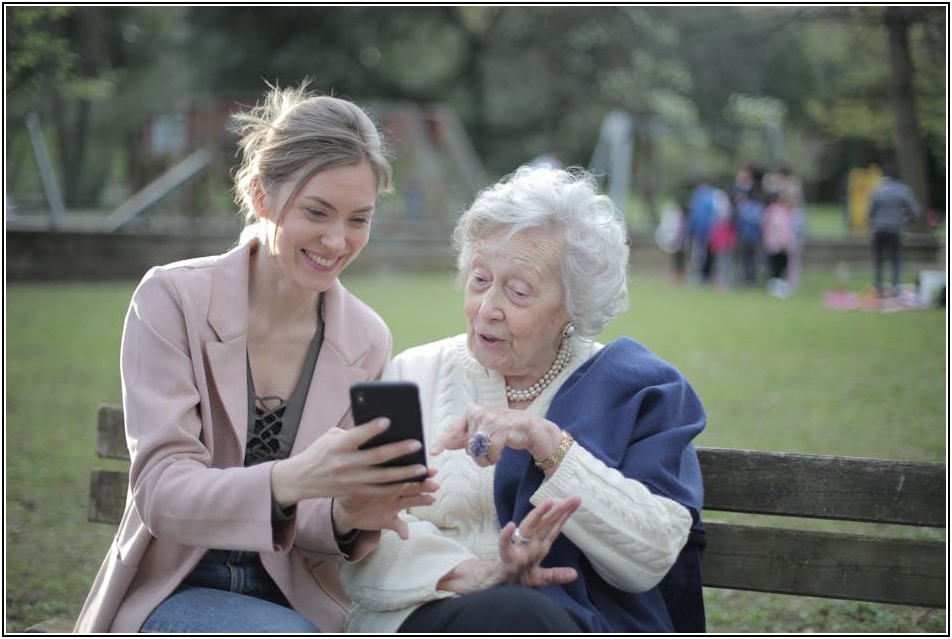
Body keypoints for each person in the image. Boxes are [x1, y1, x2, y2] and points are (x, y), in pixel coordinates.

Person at [73, 82, 439, 633]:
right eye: (317, 212)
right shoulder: (172, 299)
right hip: (175, 588)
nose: (337, 241)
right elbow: (162, 492)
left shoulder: (366, 336)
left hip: (301, 604)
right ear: (260, 196)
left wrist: (346, 514)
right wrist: (291, 478)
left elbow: (314, 517)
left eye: (358, 219)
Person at [340, 165, 708, 633]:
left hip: (572, 622)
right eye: (479, 280)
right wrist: (470, 573)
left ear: (575, 306)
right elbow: (362, 528)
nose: (487, 308)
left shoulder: (638, 390)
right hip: (423, 613)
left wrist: (549, 444)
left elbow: (653, 555)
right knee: (514, 613)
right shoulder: (413, 374)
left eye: (517, 292)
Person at [867, 162, 922, 298]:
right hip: (895, 229)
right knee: (896, 259)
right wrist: (908, 219)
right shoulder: (902, 190)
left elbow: (870, 212)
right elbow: (916, 211)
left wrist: (874, 223)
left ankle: (878, 287)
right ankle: (895, 287)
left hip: (878, 229)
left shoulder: (876, 190)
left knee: (878, 259)